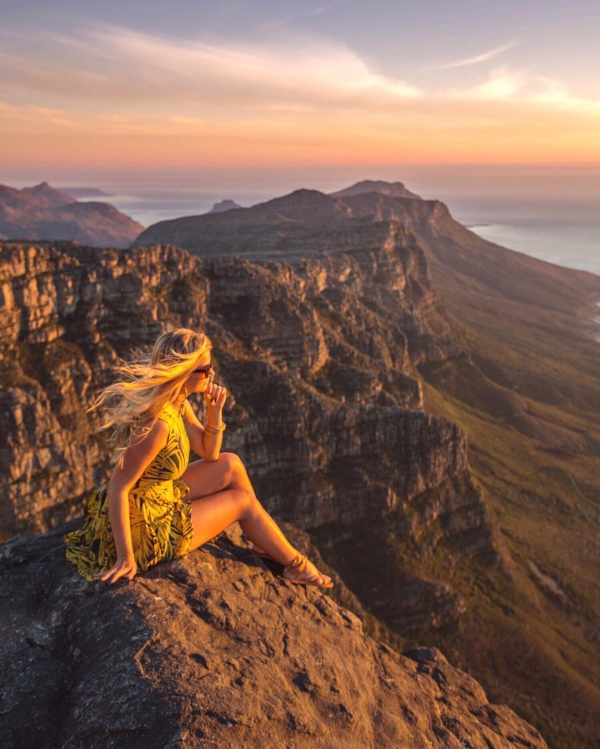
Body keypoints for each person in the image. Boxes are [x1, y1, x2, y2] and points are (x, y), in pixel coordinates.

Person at [64, 328, 333, 589]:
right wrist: (126, 557)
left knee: (232, 464)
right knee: (243, 502)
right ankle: (296, 564)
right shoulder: (157, 425)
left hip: (161, 495)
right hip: (147, 527)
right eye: (205, 369)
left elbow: (210, 453)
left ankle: (261, 539)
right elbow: (118, 488)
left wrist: (214, 411)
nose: (211, 373)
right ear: (182, 372)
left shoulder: (178, 402)